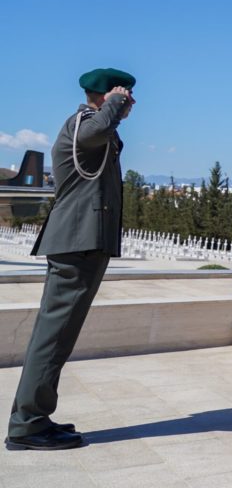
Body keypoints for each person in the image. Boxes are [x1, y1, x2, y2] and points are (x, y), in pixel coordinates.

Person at [6, 68, 136, 451]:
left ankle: (34, 416)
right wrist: (114, 103)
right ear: (106, 96)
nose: (131, 106)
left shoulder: (95, 129)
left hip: (83, 241)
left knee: (56, 336)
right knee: (54, 335)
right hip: (78, 241)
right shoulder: (83, 124)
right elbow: (95, 133)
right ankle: (27, 425)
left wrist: (113, 107)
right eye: (127, 99)